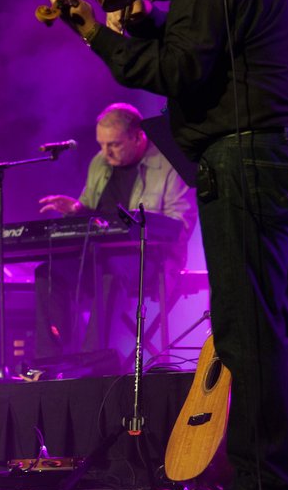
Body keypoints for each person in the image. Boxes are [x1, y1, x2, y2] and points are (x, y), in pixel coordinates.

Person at [48, 0, 288, 490]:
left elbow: (177, 71)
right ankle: (276, 480)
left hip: (249, 157)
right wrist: (143, 24)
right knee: (272, 326)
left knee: (245, 330)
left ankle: (265, 487)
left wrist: (95, 34)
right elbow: (209, 49)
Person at [35, 103, 196, 366]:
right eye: (101, 144)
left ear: (138, 136)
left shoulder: (168, 163)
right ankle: (49, 363)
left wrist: (139, 225)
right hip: (97, 256)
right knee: (48, 272)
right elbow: (91, 215)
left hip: (150, 260)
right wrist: (77, 209)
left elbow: (181, 225)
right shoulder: (100, 162)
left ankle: (92, 364)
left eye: (114, 145)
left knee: (110, 270)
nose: (105, 152)